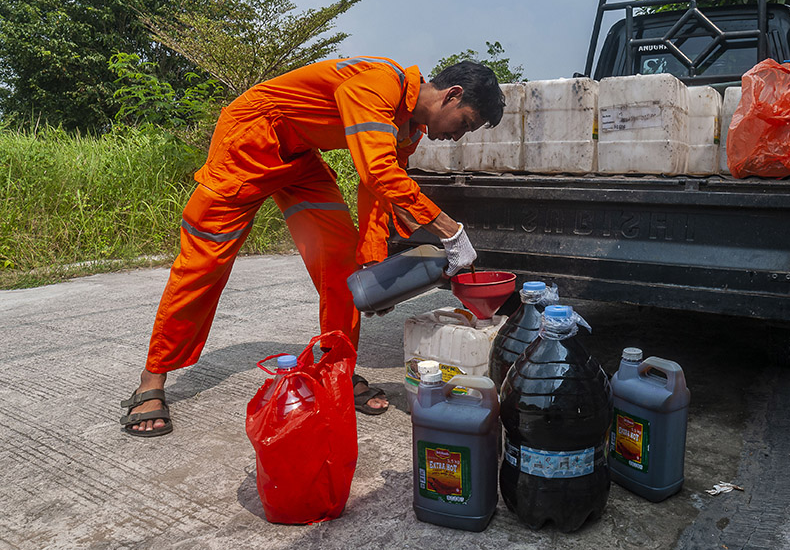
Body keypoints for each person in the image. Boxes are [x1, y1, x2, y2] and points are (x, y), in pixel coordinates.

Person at [120, 57, 505, 436]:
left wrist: (372, 274)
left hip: (299, 156)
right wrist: (450, 230)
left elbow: (377, 192)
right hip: (251, 141)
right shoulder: (379, 84)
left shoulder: (408, 129)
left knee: (340, 263)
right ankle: (152, 377)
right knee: (205, 262)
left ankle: (337, 369)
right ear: (451, 95)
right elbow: (377, 171)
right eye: (464, 124)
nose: (457, 136)